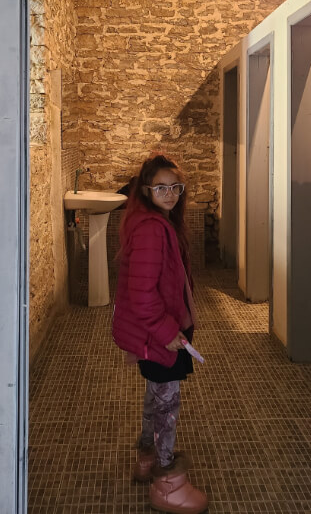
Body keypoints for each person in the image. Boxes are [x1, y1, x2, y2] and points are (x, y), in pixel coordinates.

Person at [112, 154, 208, 514]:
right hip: (159, 335)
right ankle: (166, 483)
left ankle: (146, 459)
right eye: (161, 187)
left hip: (156, 332)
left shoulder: (155, 222)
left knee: (155, 398)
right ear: (147, 190)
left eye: (175, 187)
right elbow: (141, 293)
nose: (170, 194)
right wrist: (169, 332)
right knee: (167, 405)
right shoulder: (152, 229)